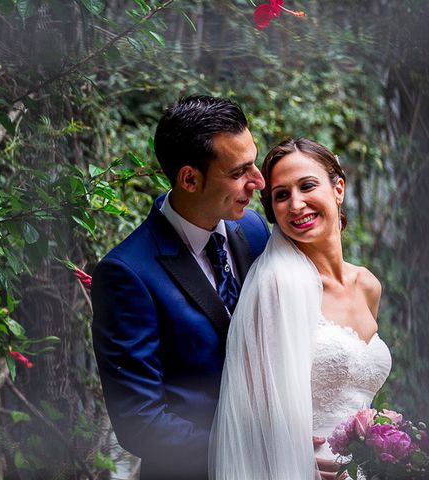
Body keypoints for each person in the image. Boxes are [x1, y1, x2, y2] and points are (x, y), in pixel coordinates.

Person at [91, 95, 270, 480]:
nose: (259, 181)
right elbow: (142, 422)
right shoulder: (127, 273)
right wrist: (252, 453)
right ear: (190, 178)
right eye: (240, 172)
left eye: (254, 162)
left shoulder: (254, 230)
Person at [209, 138, 392, 480]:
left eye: (307, 186)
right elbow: (251, 410)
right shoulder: (277, 285)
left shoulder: (368, 285)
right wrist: (291, 458)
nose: (296, 204)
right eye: (281, 195)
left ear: (338, 189)